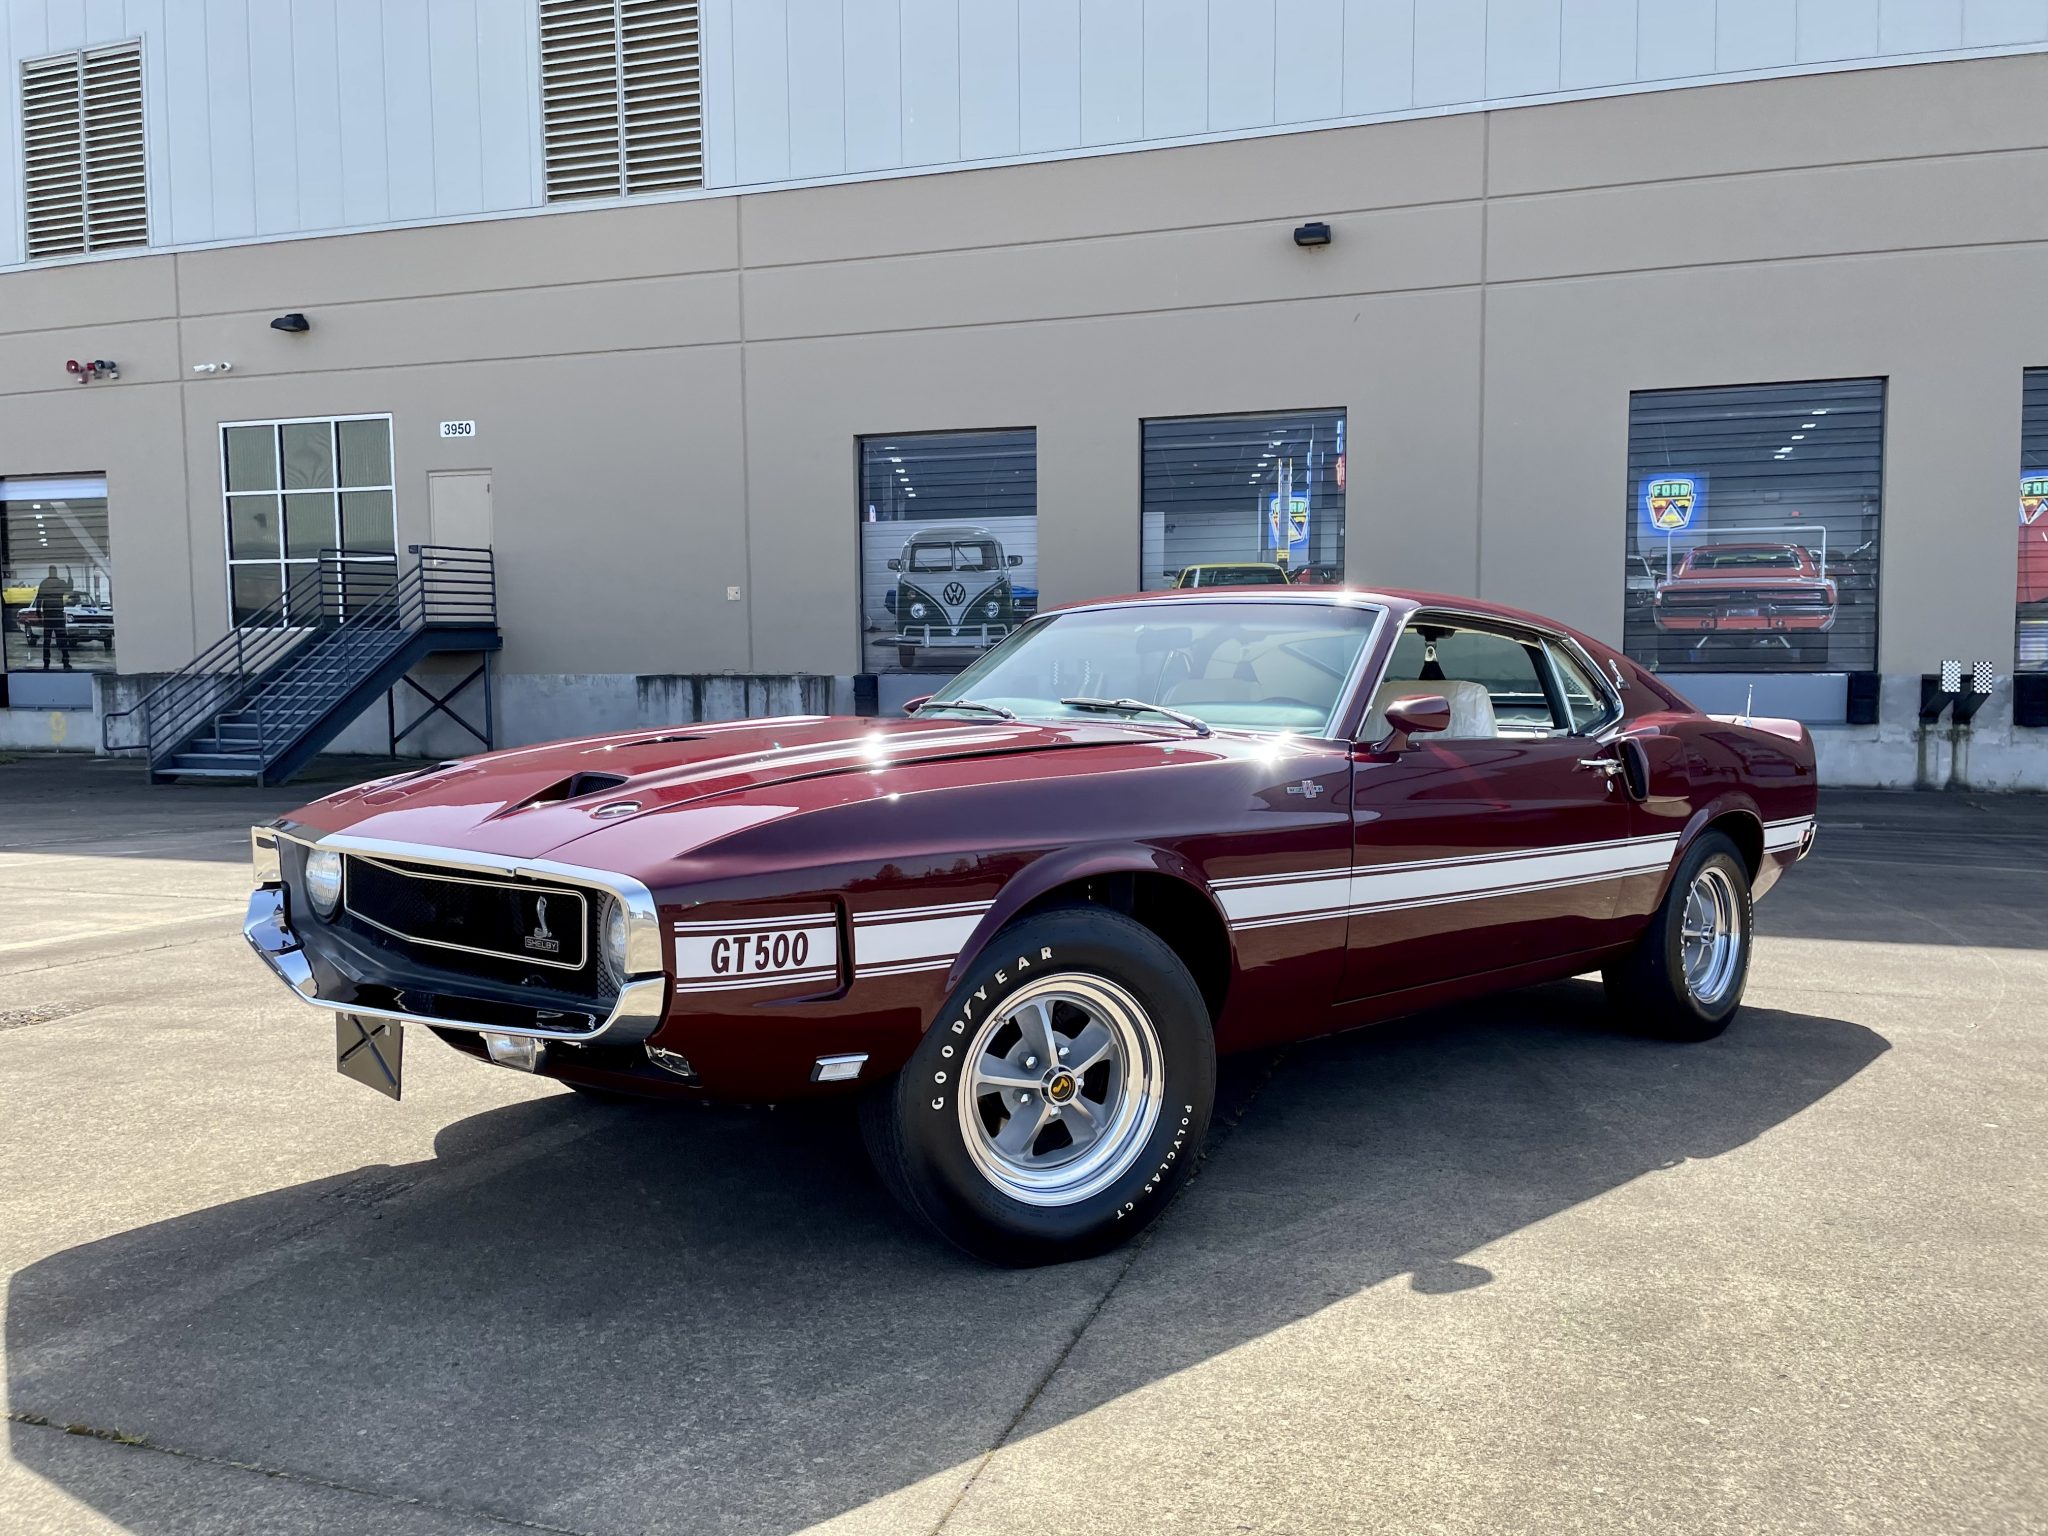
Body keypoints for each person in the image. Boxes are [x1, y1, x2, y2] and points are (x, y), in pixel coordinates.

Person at [33, 566, 71, 670]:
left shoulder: (44, 583)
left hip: (49, 616)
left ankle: (47, 663)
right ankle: (65, 662)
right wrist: (70, 575)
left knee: (48, 641)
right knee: (61, 639)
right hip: (56, 615)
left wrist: (38, 613)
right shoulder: (59, 583)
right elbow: (69, 588)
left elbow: (39, 599)